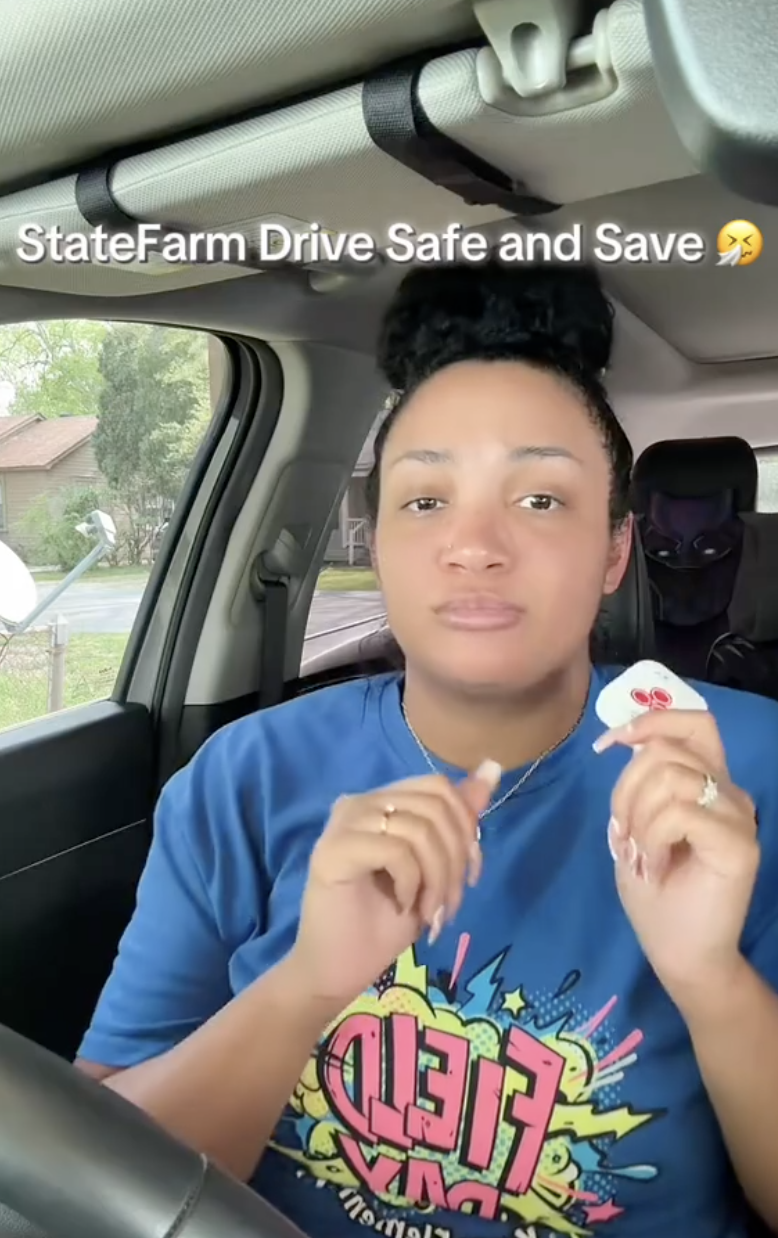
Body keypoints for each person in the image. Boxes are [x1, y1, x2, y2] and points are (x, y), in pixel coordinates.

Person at [76, 260, 778, 1238]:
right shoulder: (244, 778)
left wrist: (711, 982)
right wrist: (302, 988)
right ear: (377, 542)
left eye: (540, 499)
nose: (474, 544)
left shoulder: (749, 770)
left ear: (615, 550)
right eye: (425, 500)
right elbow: (89, 1180)